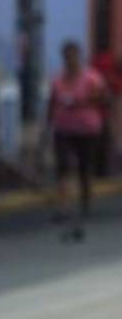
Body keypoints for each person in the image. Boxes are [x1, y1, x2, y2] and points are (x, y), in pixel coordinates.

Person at [48, 40, 109, 237]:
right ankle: (62, 206)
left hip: (87, 128)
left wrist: (83, 101)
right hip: (63, 128)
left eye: (73, 56)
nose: (70, 60)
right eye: (66, 57)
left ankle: (85, 202)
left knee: (85, 167)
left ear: (78, 57)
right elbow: (52, 102)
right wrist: (48, 125)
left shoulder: (92, 78)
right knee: (63, 166)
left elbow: (104, 98)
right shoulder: (58, 79)